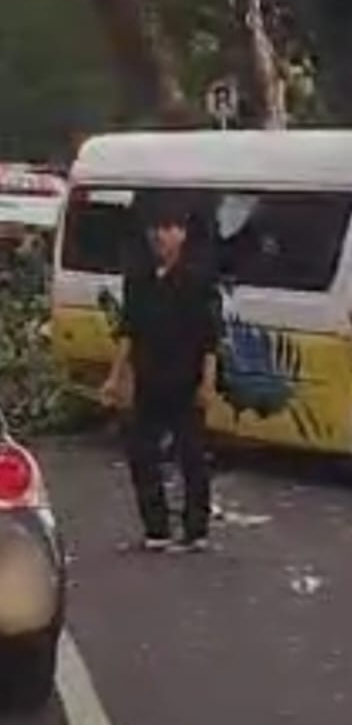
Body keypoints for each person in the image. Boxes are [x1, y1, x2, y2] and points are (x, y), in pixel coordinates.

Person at [100, 200, 221, 553]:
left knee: (191, 456)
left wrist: (208, 383)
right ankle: (156, 529)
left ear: (182, 234)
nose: (161, 236)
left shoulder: (196, 280)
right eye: (157, 229)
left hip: (185, 380)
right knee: (142, 453)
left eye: (169, 229)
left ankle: (196, 530)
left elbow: (210, 338)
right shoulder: (140, 280)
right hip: (148, 378)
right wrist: (115, 377)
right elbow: (128, 331)